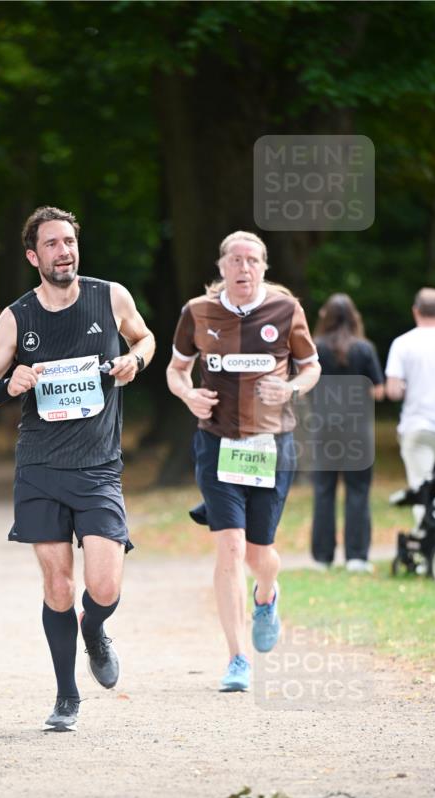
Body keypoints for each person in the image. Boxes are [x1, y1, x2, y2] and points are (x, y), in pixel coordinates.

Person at [0, 205, 155, 732]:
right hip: (40, 467)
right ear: (34, 257)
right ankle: (66, 696)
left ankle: (94, 630)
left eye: (69, 241)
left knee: (105, 587)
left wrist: (135, 360)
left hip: (98, 467)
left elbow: (145, 338)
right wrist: (8, 385)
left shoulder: (109, 296)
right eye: (51, 244)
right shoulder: (17, 317)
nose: (63, 251)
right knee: (57, 586)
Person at [166, 230, 320, 693]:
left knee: (259, 555)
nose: (244, 268)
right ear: (221, 267)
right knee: (230, 547)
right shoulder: (197, 312)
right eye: (235, 260)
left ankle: (266, 595)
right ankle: (237, 658)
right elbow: (176, 369)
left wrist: (290, 388)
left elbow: (311, 367)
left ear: (264, 267)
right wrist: (188, 395)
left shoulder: (285, 310)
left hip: (271, 445)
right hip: (217, 442)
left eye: (252, 260)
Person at [310, 293, 385, 573]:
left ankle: (322, 557)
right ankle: (356, 556)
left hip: (323, 428)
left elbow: (304, 385)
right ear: (355, 318)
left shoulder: (314, 348)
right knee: (358, 490)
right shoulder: (364, 349)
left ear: (325, 316)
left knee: (324, 491)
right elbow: (378, 391)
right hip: (357, 430)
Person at [385, 287, 435, 524]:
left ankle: (427, 539)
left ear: (415, 311)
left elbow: (393, 391)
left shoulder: (402, 343)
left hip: (418, 427)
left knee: (423, 490)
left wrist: (404, 388)